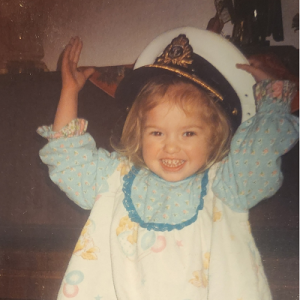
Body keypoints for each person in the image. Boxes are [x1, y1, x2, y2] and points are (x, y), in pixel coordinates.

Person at [37, 31, 298, 300]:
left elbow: (261, 149)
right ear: (139, 134)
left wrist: (272, 96)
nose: (171, 147)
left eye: (188, 133)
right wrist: (69, 92)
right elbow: (69, 157)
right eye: (157, 133)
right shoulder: (114, 179)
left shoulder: (227, 184)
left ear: (214, 137)